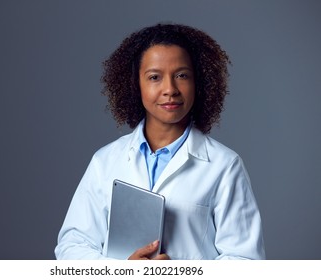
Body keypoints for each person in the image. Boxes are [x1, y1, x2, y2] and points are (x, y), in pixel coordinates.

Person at [55, 23, 266, 260]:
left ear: (199, 83)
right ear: (136, 85)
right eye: (154, 77)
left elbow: (246, 261)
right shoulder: (104, 161)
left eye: (182, 76)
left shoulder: (225, 165)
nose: (170, 89)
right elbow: (72, 247)